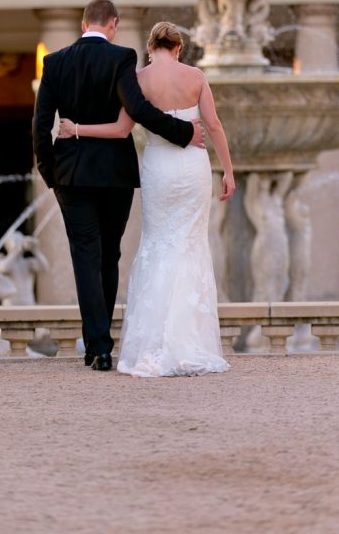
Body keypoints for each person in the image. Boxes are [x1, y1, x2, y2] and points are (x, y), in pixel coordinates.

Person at [33, 0, 204, 372]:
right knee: (109, 255)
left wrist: (50, 174)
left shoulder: (55, 62)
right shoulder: (121, 57)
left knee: (85, 257)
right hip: (115, 175)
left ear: (83, 24)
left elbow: (41, 122)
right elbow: (139, 110)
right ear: (113, 24)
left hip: (71, 175)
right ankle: (102, 343)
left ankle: (98, 346)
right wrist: (184, 132)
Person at [58, 20, 235, 378]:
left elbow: (122, 130)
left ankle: (152, 343)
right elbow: (213, 126)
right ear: (179, 47)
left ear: (151, 47)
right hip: (193, 168)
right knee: (190, 246)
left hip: (158, 170)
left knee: (158, 244)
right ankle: (190, 341)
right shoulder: (196, 76)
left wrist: (76, 129)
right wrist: (229, 171)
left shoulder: (138, 80)